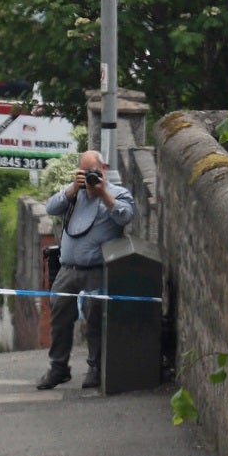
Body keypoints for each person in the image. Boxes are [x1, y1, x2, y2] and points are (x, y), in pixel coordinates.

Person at [37, 149, 135, 392]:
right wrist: (72, 188)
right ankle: (59, 368)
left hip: (97, 269)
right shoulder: (75, 195)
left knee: (95, 316)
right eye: (83, 172)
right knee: (59, 316)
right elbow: (50, 207)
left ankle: (95, 367)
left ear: (103, 169)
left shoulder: (118, 194)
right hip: (68, 268)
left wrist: (102, 194)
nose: (88, 177)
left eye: (92, 171)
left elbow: (125, 217)